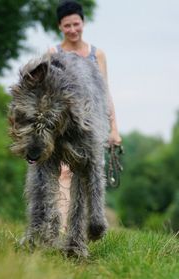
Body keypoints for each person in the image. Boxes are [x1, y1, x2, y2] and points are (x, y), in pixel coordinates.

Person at [49, 0, 122, 232]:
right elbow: (50, 92)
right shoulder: (54, 53)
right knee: (64, 171)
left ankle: (85, 224)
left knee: (89, 174)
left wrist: (114, 129)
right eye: (67, 25)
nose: (72, 30)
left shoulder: (97, 54)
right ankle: (62, 226)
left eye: (76, 24)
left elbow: (105, 92)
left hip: (92, 125)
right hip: (65, 124)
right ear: (60, 26)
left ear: (83, 23)